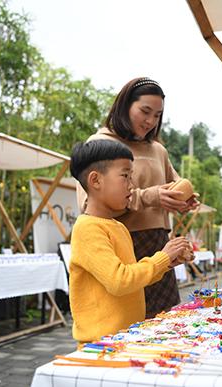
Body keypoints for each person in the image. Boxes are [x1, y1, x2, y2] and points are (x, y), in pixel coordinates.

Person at [77, 77, 198, 318]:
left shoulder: (158, 149)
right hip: (122, 240)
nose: (150, 121)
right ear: (124, 105)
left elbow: (173, 185)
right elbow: (88, 203)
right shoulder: (100, 144)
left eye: (157, 115)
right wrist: (151, 196)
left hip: (158, 241)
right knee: (123, 317)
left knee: (162, 321)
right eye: (145, 111)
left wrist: (182, 201)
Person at [69, 140, 191, 343]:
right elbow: (120, 281)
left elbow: (133, 279)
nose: (132, 185)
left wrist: (167, 264)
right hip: (101, 345)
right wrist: (162, 257)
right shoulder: (87, 228)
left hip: (125, 337)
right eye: (125, 176)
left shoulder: (118, 227)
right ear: (96, 180)